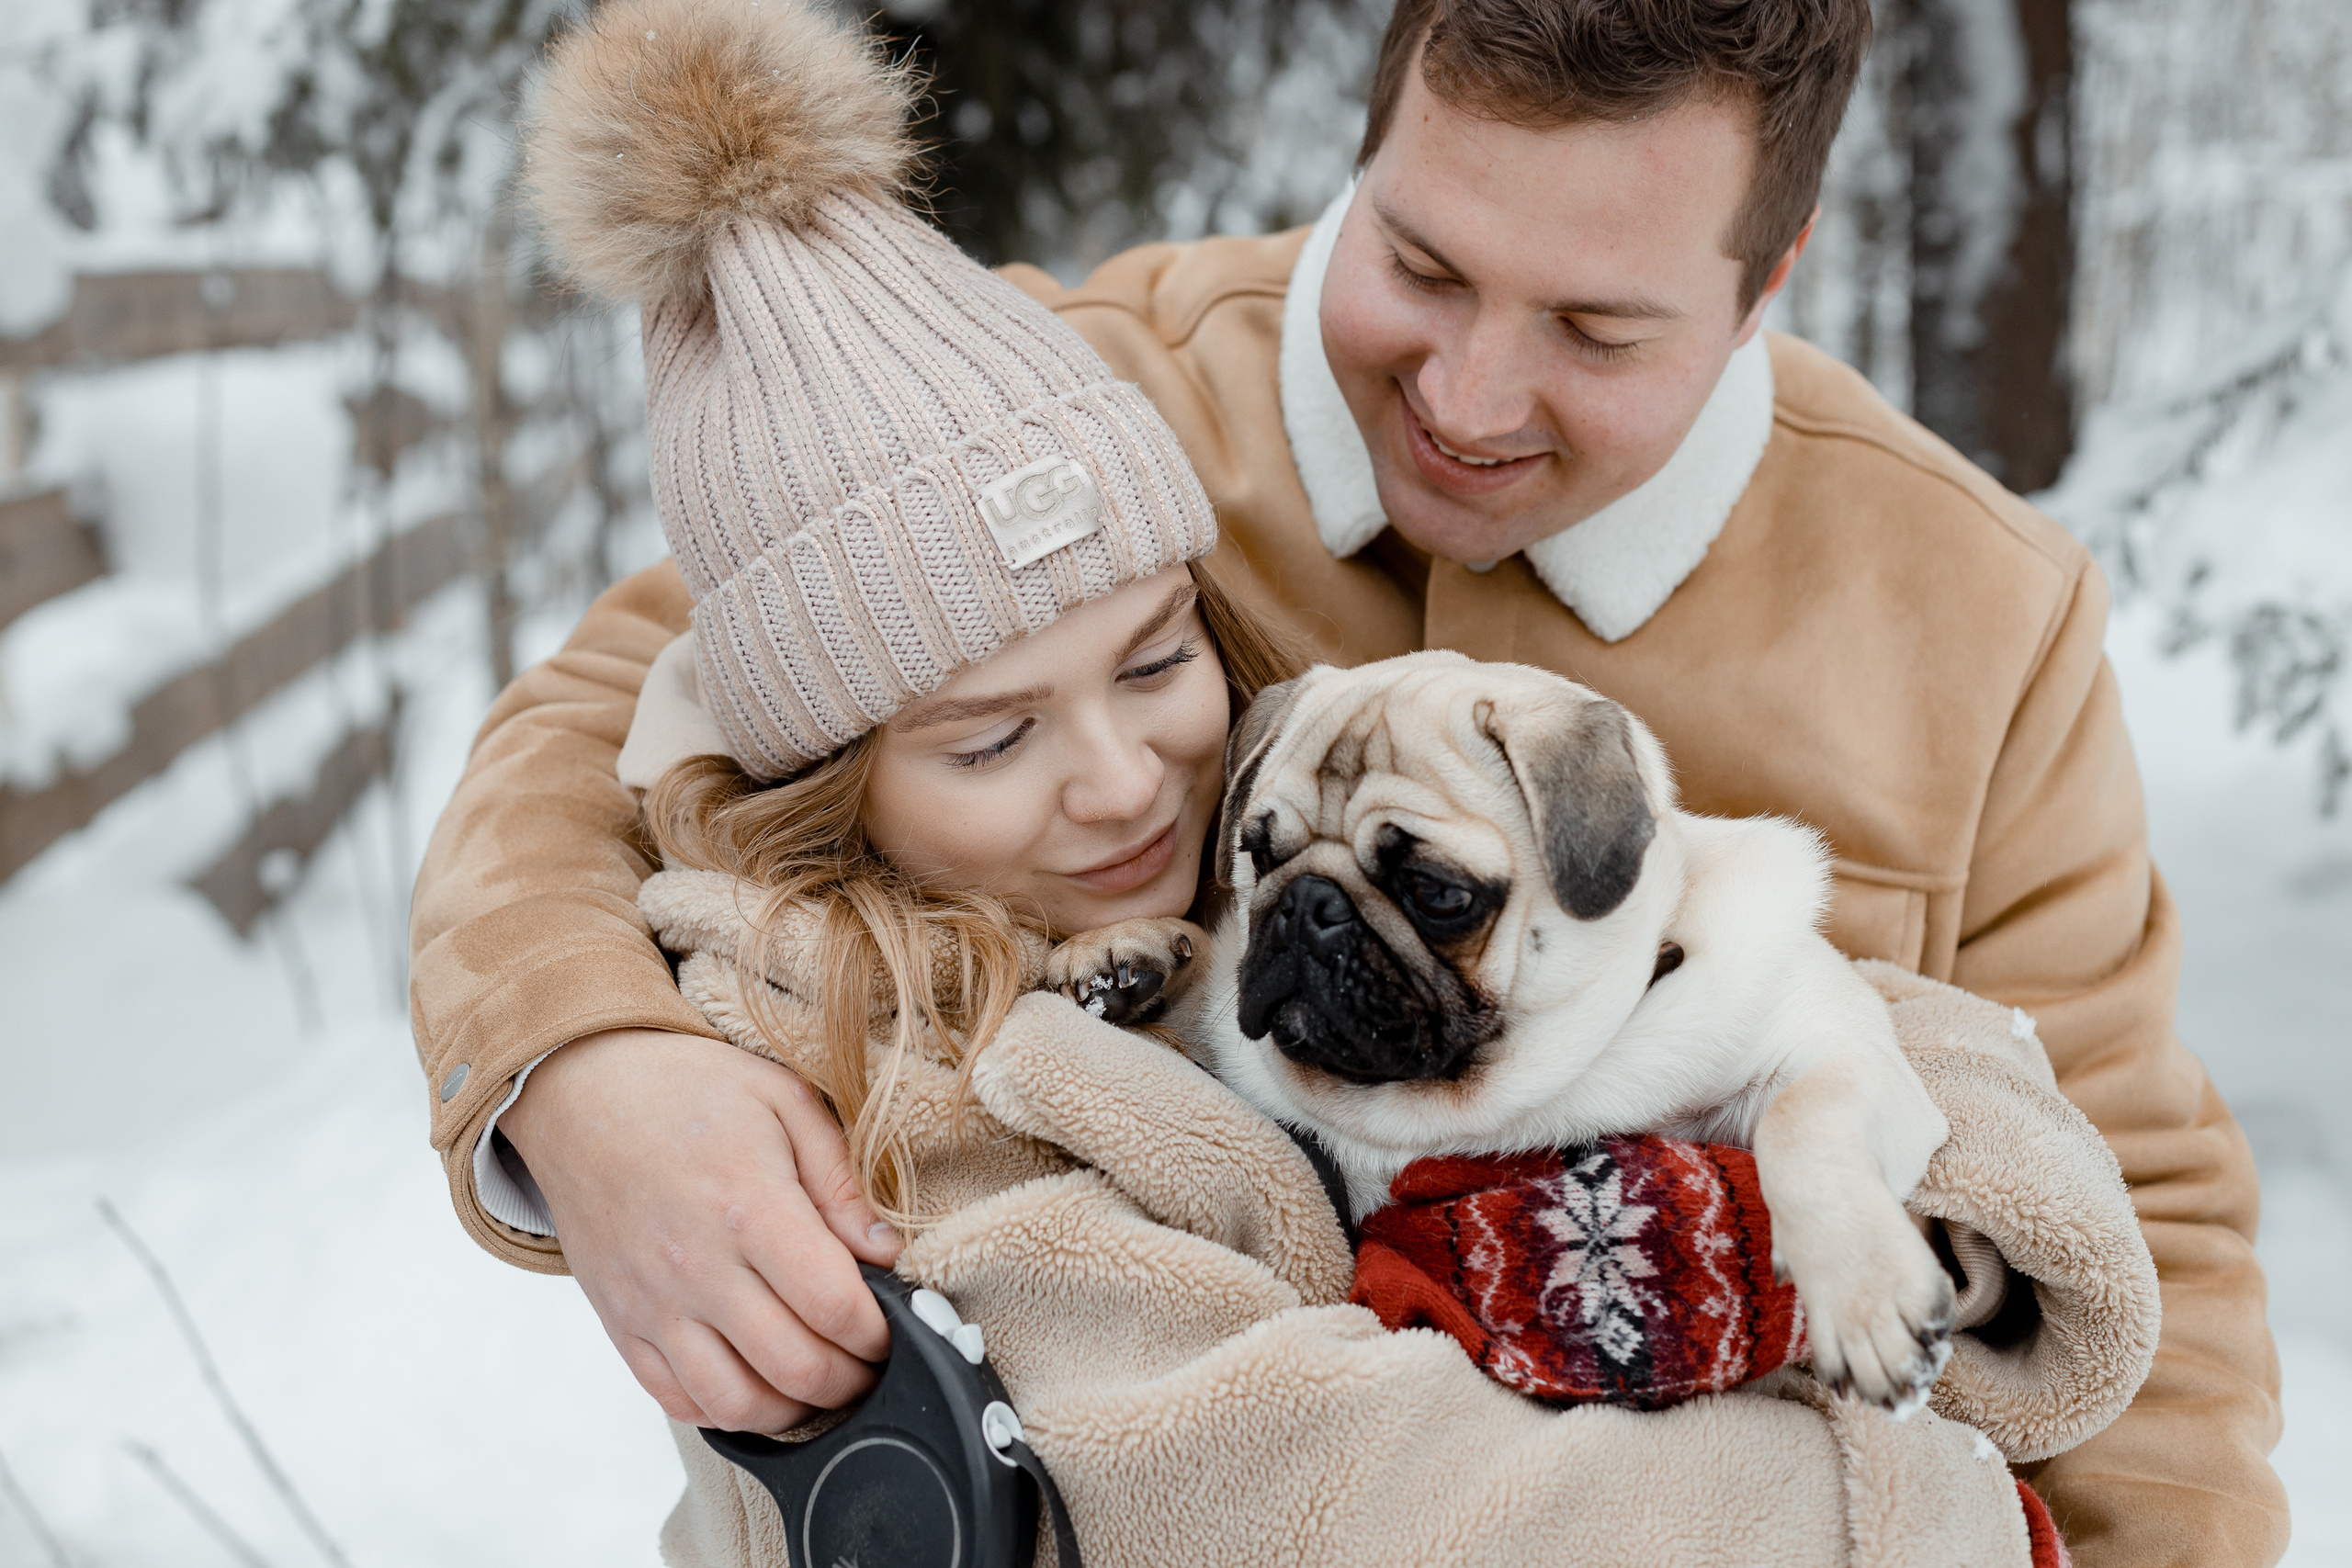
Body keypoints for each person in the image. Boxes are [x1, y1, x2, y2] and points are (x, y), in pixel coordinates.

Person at [409, 0, 2287, 1562]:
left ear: (1763, 277)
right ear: (1362, 142)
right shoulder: (1087, 408)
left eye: (1593, 328)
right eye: (1420, 262)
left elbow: (2145, 1228)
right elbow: (609, 715)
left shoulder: (1971, 618)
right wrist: (584, 1062)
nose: (1466, 395)